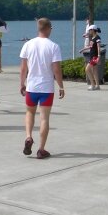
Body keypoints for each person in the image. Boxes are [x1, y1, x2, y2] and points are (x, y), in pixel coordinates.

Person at [19, 18, 65, 159]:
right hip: (46, 88)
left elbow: (23, 68)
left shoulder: (28, 45)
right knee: (44, 118)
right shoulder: (53, 46)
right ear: (48, 28)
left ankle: (28, 137)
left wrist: (22, 83)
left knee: (29, 113)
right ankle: (41, 149)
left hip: (32, 86)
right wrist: (61, 86)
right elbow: (56, 70)